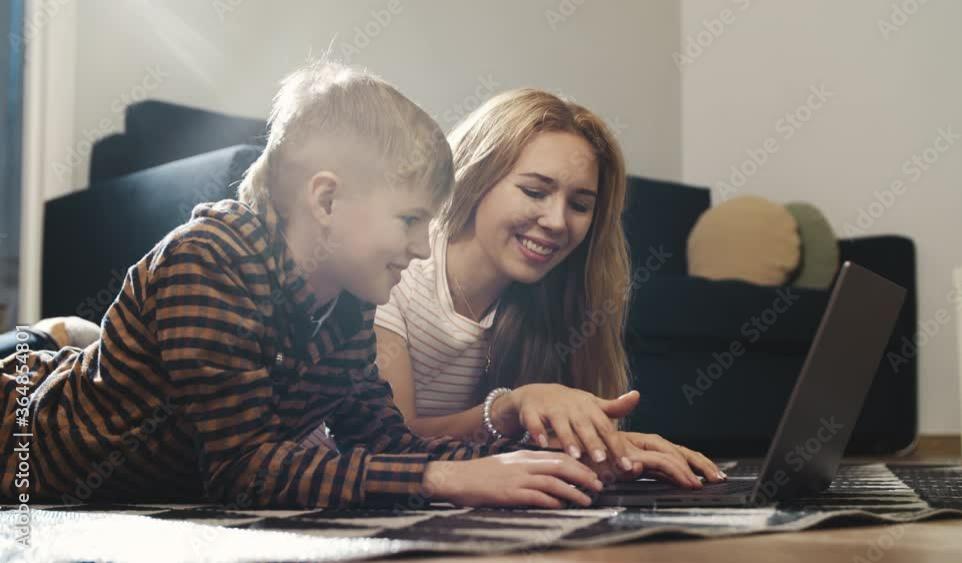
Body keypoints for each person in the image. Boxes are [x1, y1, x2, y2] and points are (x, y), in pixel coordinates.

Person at [0, 62, 612, 510]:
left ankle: (59, 343)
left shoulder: (347, 304)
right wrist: (439, 480)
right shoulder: (205, 263)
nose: (424, 246)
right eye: (410, 220)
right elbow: (244, 471)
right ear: (327, 199)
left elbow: (387, 443)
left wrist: (540, 466)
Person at [370, 89, 726, 487]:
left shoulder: (558, 294)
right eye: (535, 192)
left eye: (579, 205)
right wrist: (510, 407)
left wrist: (597, 445)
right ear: (475, 177)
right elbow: (385, 445)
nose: (557, 222)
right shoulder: (393, 269)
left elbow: (497, 453)